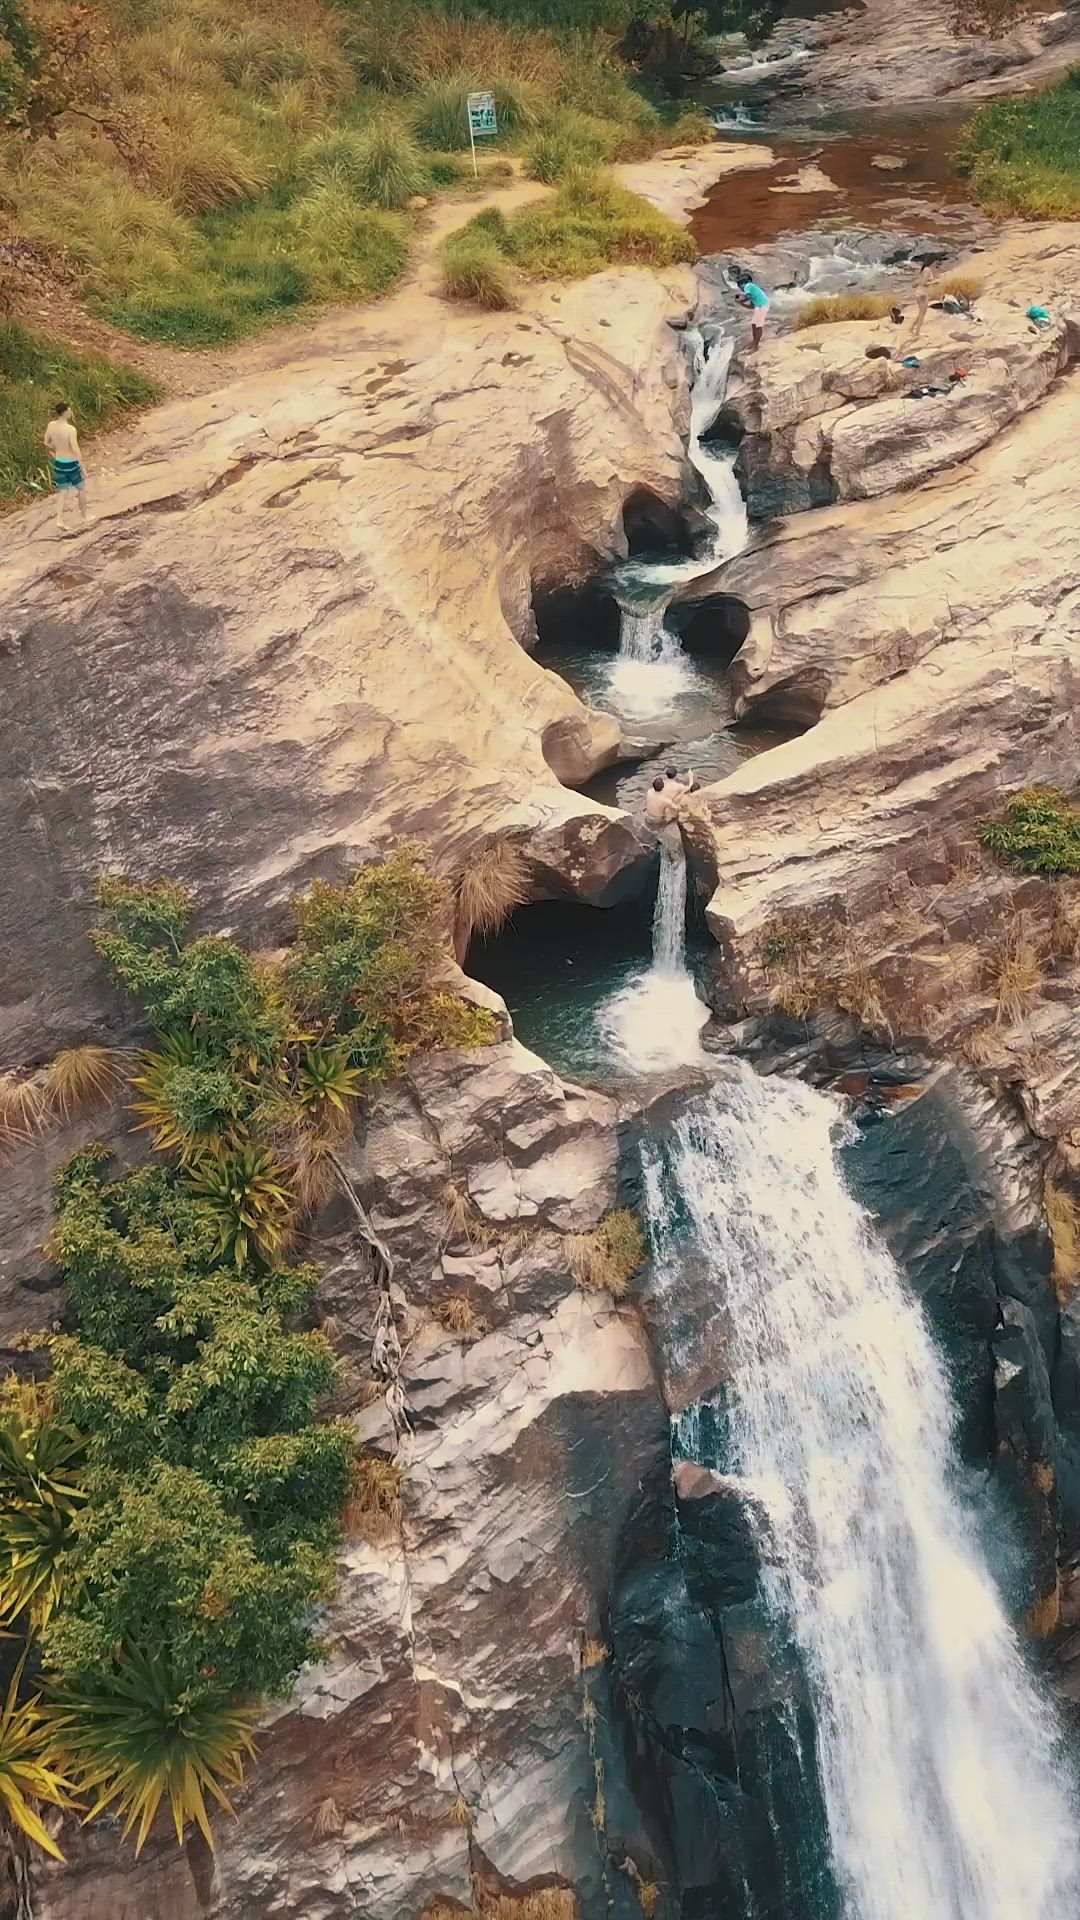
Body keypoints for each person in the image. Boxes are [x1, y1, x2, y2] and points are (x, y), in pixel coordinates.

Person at [44, 403, 87, 535]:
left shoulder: (51, 425)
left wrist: (56, 447)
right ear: (65, 413)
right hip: (71, 462)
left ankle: (59, 520)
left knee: (63, 492)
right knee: (81, 488)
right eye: (69, 410)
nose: (71, 411)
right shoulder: (70, 429)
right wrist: (82, 465)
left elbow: (46, 442)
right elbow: (75, 448)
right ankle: (84, 517)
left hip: (59, 461)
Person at [739, 278, 770, 352]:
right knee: (753, 324)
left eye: (740, 286)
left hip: (763, 305)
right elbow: (752, 306)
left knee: (758, 326)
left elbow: (748, 296)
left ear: (743, 284)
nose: (740, 288)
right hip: (760, 306)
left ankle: (755, 346)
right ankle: (754, 342)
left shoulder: (748, 285)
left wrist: (741, 300)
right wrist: (741, 303)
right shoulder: (752, 291)